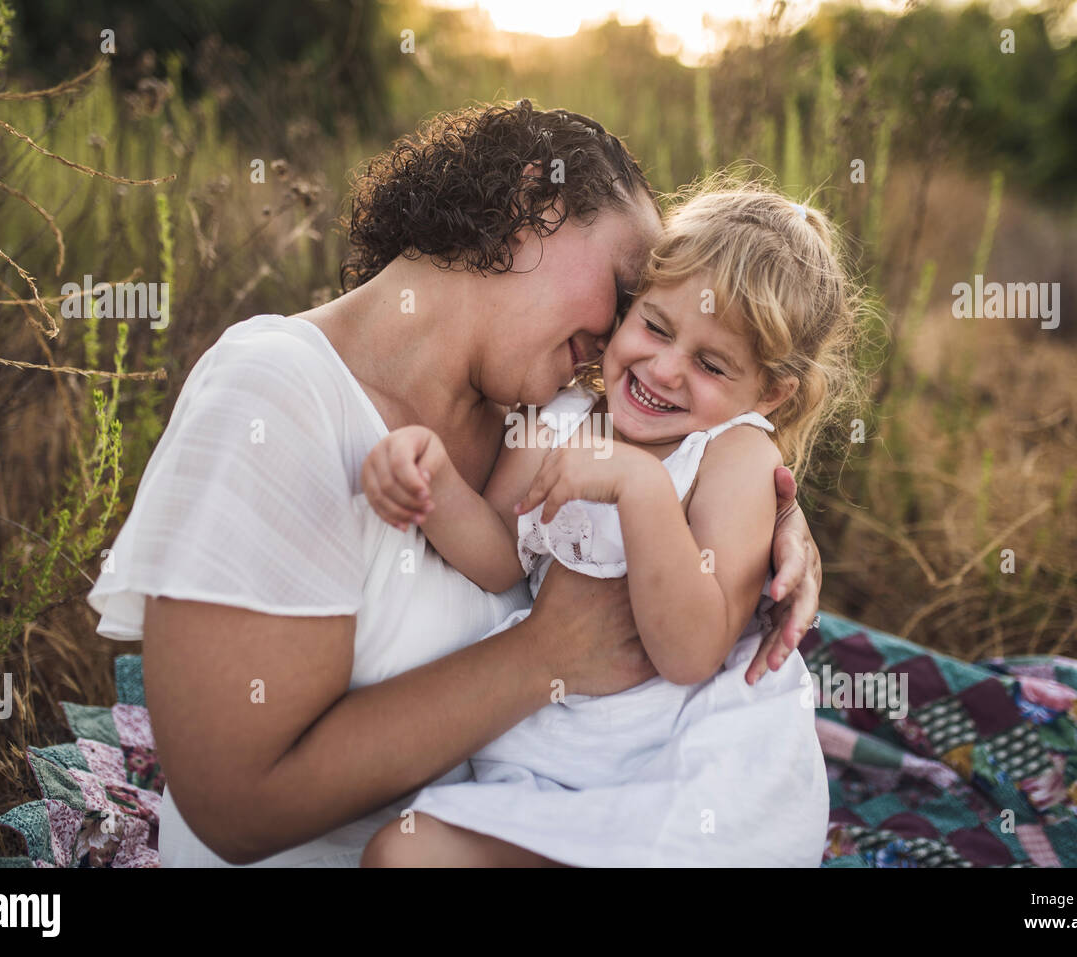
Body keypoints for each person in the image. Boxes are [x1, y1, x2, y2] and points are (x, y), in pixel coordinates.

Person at [86, 101, 825, 867]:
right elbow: (233, 809)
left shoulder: (531, 410)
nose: (621, 337)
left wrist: (770, 517)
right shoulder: (276, 394)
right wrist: (544, 656)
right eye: (627, 292)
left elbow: (687, 476)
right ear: (533, 205)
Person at [360, 183, 854, 866]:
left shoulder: (735, 458)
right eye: (655, 326)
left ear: (769, 393)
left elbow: (689, 651)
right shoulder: (559, 418)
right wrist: (432, 483)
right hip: (547, 757)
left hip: (685, 775)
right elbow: (503, 556)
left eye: (712, 364)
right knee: (401, 852)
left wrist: (640, 486)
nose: (665, 369)